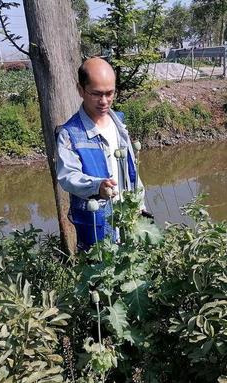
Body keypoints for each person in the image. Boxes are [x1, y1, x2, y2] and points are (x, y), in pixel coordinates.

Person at [55, 57, 148, 251]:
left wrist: (140, 203)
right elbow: (68, 176)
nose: (104, 101)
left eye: (109, 93)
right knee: (100, 274)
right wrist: (97, 187)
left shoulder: (119, 124)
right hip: (97, 225)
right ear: (81, 90)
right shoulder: (70, 133)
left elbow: (132, 171)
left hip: (128, 218)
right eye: (97, 94)